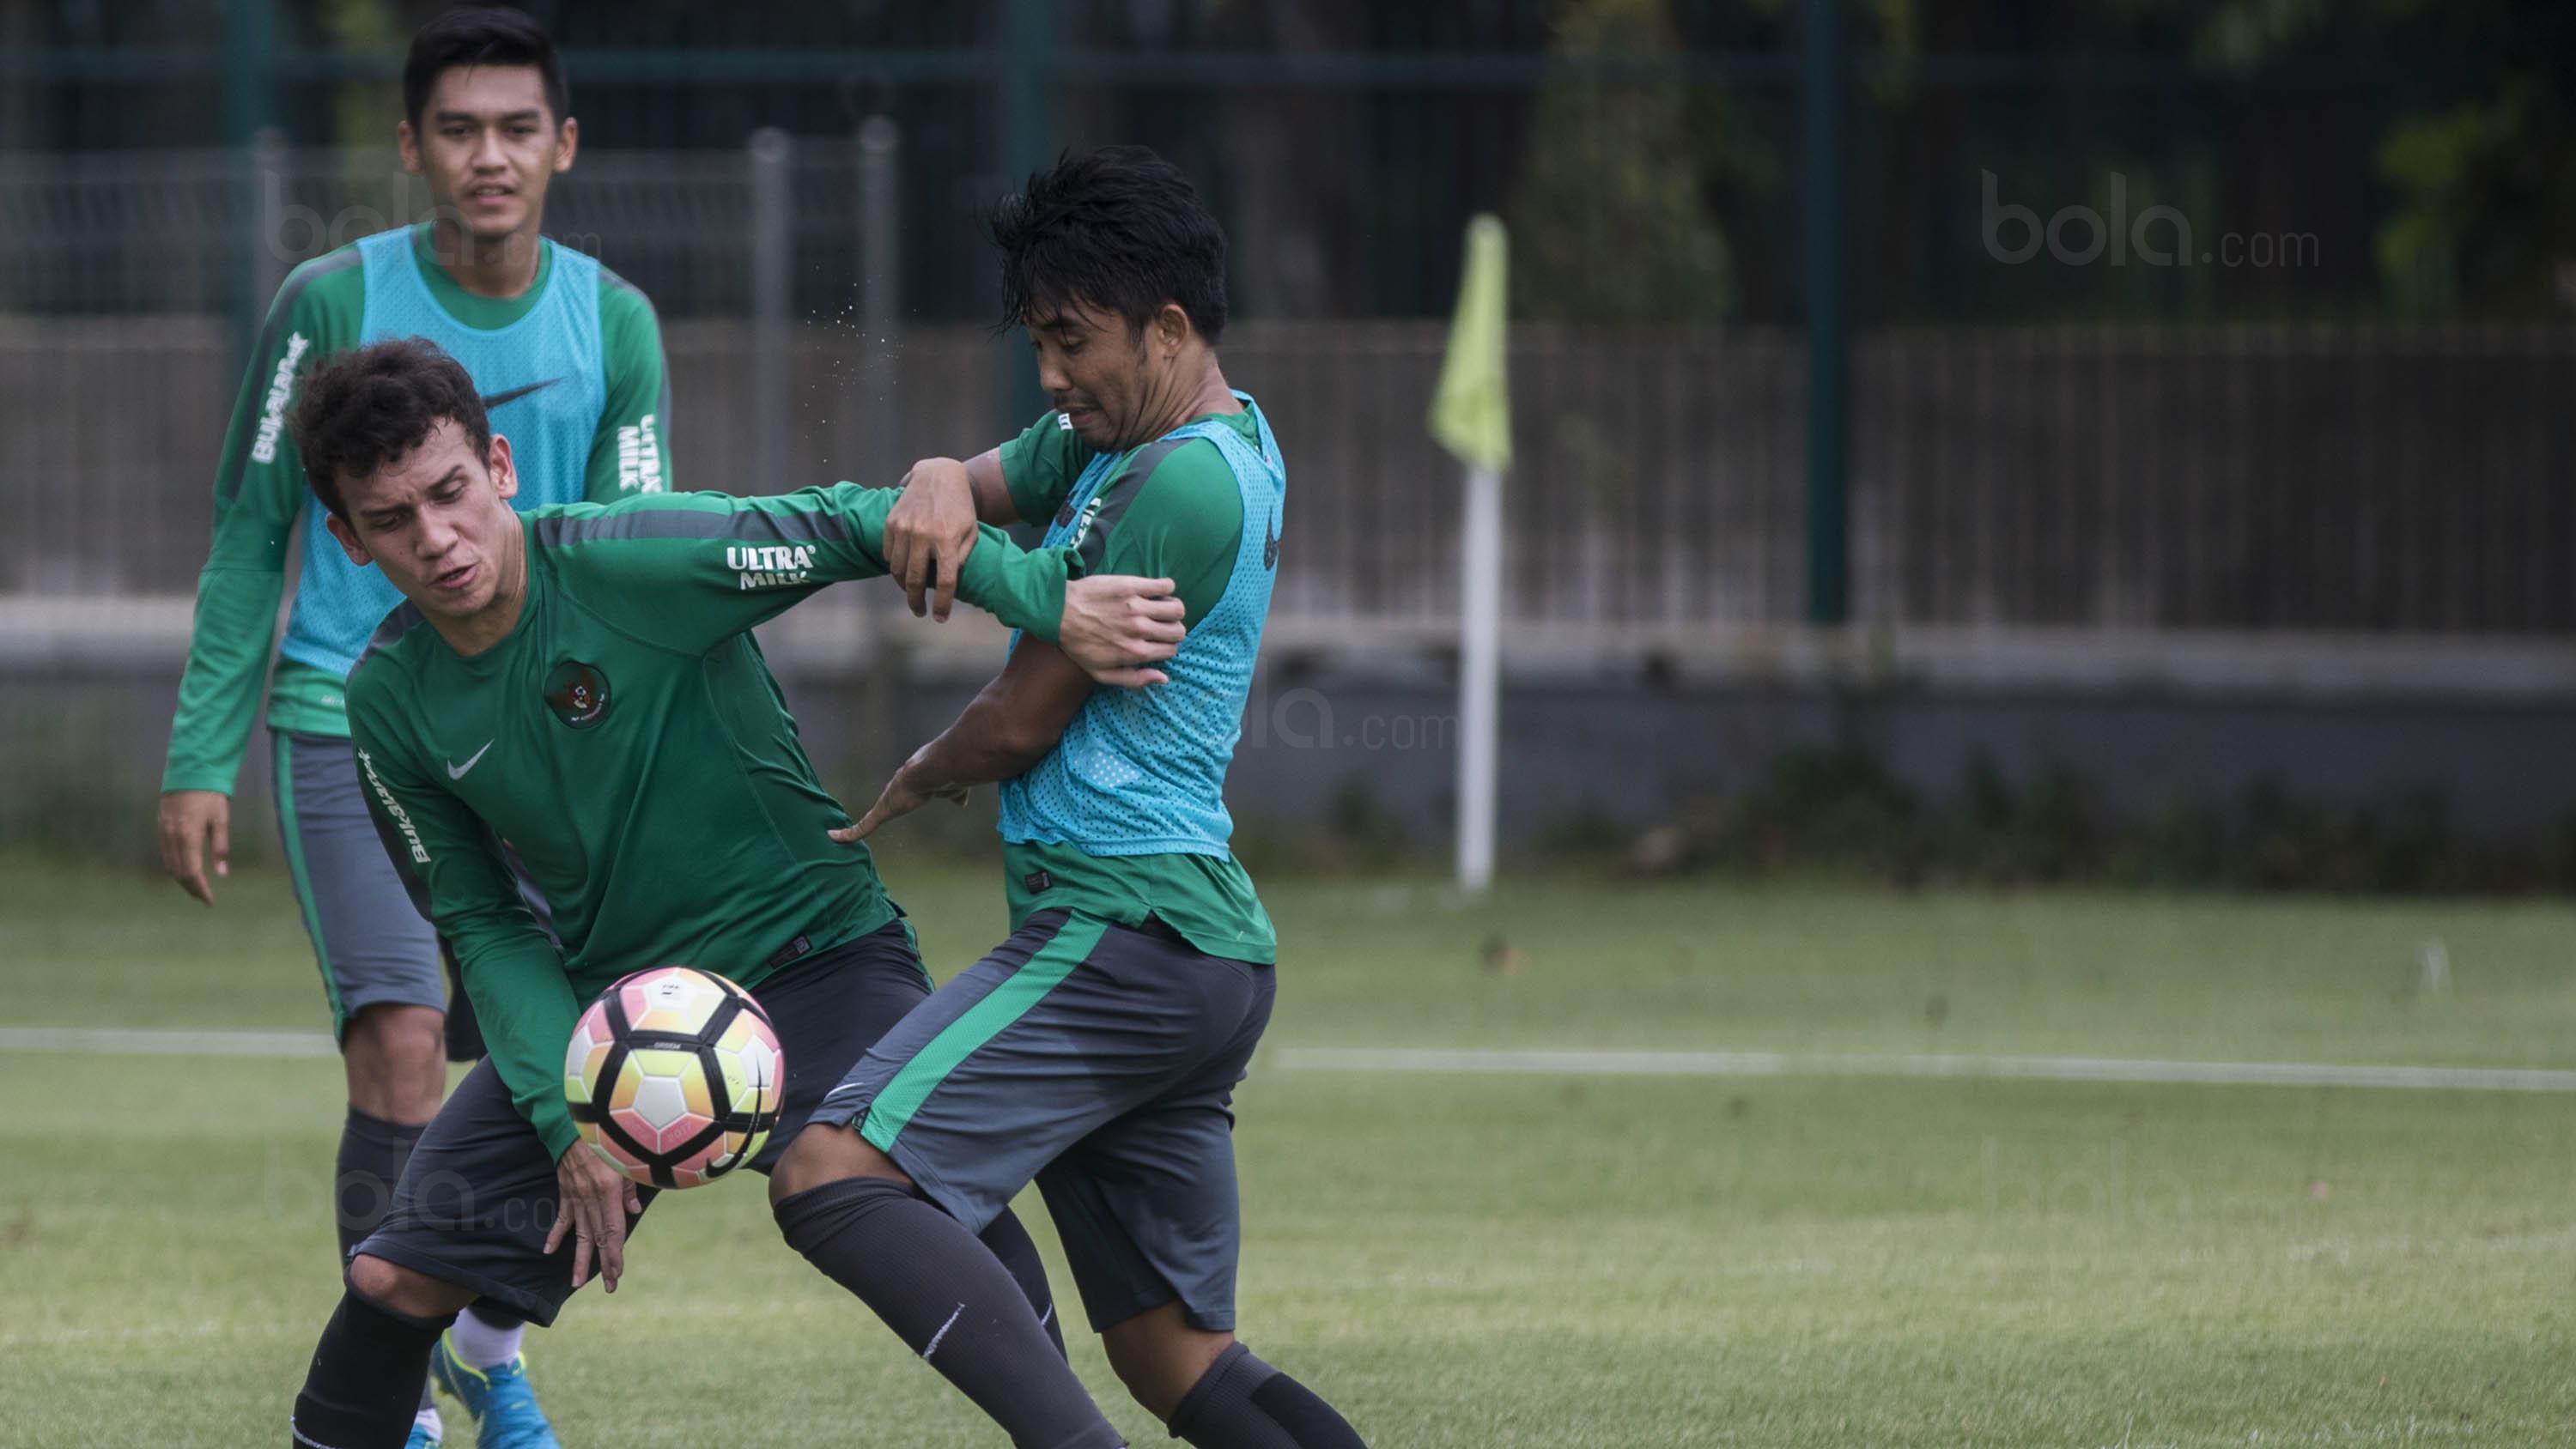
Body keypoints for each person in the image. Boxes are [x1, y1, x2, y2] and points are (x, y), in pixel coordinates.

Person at [277, 336, 1185, 1449]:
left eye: (450, 492)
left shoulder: (638, 561)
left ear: (499, 466)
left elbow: (856, 523)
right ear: (349, 540)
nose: (435, 538)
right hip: (618, 1011)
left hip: (819, 957)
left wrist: (1048, 600)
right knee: (393, 1280)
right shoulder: (387, 700)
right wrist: (568, 1121)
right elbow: (483, 921)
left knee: (907, 1197)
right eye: (390, 520)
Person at [769, 145, 1370, 1449]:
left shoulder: (1178, 479)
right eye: (1037, 340)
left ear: (1169, 327)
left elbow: (1025, 714)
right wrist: (939, 473)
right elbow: (975, 486)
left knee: (829, 1168)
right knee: (1176, 1360)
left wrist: (923, 772)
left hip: (1125, 931)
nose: (1049, 374)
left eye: (1072, 340)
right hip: (1190, 949)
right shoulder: (1153, 434)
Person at [157, 11, 664, 1444]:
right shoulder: (328, 300)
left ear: (564, 145)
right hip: (345, 718)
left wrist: (628, 747)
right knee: (399, 1039)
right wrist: (200, 757)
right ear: (410, 146)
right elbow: (250, 535)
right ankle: (398, 1402)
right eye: (458, 129)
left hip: (537, 735)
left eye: (516, 128)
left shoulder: (615, 322)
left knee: (586, 1057)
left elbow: (630, 553)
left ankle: (487, 1349)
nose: (488, 155)